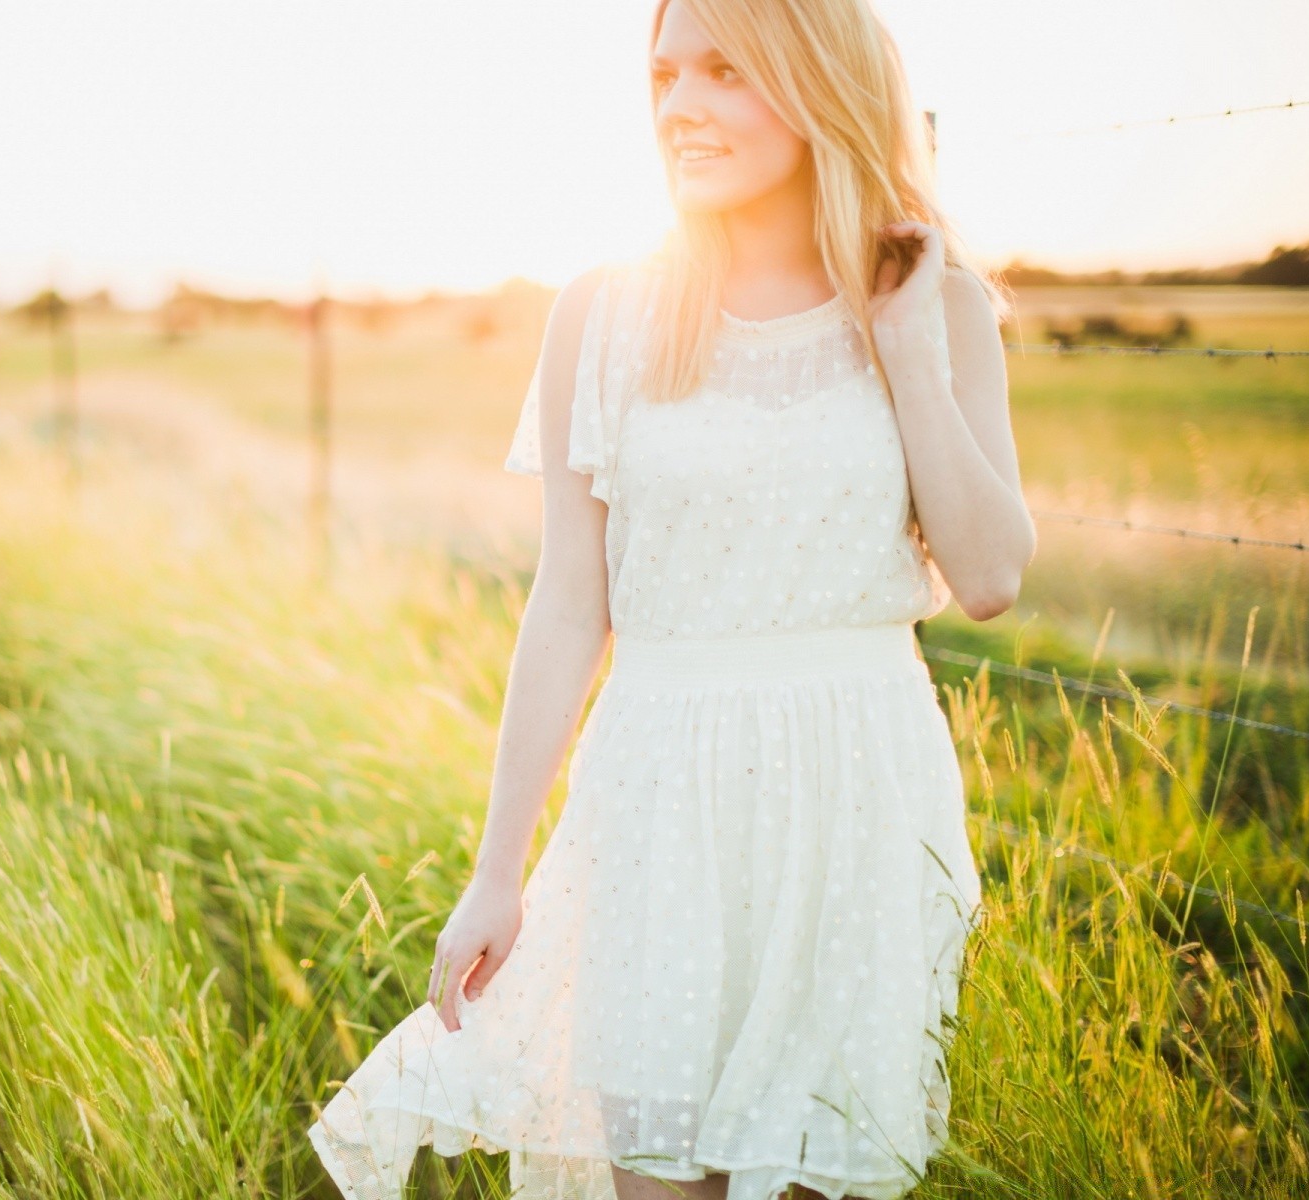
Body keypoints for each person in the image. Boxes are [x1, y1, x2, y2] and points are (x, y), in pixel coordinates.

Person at [308, 1, 1035, 1198]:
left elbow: (994, 576)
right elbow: (567, 604)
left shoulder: (936, 304)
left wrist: (905, 351)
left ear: (818, 83)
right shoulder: (604, 311)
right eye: (663, 75)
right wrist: (500, 872)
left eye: (724, 71)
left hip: (857, 796)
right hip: (660, 803)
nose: (680, 105)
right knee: (653, 1166)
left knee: (819, 1173)